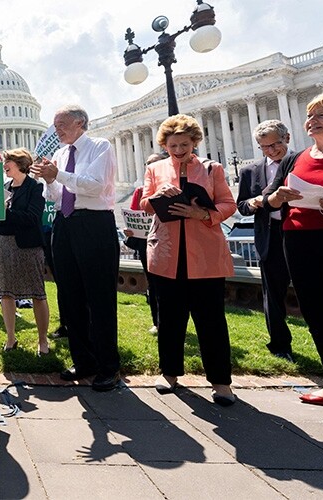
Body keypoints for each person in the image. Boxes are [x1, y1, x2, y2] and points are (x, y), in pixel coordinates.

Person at [140, 114, 237, 406]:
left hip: (205, 255)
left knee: (211, 321)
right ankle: (169, 373)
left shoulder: (212, 168)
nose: (179, 150)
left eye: (184, 144)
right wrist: (157, 194)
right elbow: (145, 205)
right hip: (167, 254)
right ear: (164, 145)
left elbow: (228, 204)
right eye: (173, 145)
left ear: (195, 142)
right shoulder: (155, 169)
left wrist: (204, 214)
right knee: (169, 318)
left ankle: (221, 383)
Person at [30, 105, 121, 392]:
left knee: (99, 299)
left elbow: (94, 186)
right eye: (55, 124)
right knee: (70, 297)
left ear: (80, 122)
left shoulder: (99, 147)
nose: (57, 129)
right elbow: (56, 195)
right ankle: (83, 361)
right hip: (64, 224)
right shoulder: (60, 154)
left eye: (62, 124)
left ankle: (109, 367)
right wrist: (49, 180)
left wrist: (58, 175)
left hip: (94, 224)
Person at [265, 90, 323, 406]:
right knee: (316, 312)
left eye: (321, 115)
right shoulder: (296, 158)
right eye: (310, 115)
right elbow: (268, 196)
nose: (311, 121)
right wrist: (276, 198)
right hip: (299, 241)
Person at [237, 120, 295, 362]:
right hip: (270, 234)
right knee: (272, 293)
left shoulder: (302, 162)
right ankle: (280, 345)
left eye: (275, 144)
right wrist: (253, 203)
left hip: (302, 232)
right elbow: (241, 205)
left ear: (287, 139)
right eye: (264, 147)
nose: (271, 151)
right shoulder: (250, 171)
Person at [0, 148, 49, 355]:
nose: (4, 165)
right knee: (6, 293)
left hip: (27, 246)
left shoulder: (35, 187)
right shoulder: (3, 188)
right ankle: (10, 338)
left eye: (8, 162)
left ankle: (43, 340)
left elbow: (33, 218)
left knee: (37, 293)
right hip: (3, 244)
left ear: (20, 164)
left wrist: (8, 212)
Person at [124, 153, 165, 334]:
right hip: (146, 244)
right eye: (148, 163)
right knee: (153, 283)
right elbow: (134, 215)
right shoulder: (140, 191)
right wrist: (130, 230)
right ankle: (157, 321)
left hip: (170, 242)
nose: (151, 167)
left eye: (155, 163)